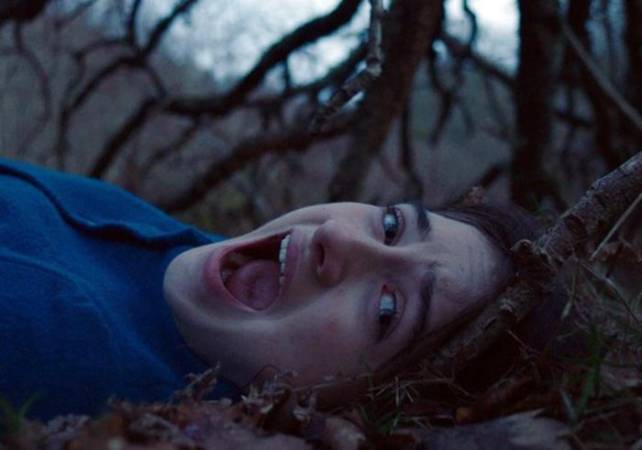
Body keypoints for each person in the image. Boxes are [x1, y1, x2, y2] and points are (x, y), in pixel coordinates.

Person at [0, 157, 531, 421]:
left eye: (388, 309)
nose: (338, 236)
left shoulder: (56, 352)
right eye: (391, 225)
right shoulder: (187, 251)